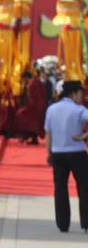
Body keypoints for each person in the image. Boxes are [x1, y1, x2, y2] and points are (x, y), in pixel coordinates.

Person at [44, 81, 88, 233]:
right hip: (77, 152)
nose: (82, 96)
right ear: (73, 93)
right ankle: (86, 221)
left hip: (58, 152)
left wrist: (48, 153)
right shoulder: (79, 110)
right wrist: (84, 136)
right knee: (84, 186)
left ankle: (63, 224)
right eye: (80, 93)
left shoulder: (52, 109)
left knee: (60, 187)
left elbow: (48, 134)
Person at [15, 69, 48, 144]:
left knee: (20, 115)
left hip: (35, 107)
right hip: (38, 106)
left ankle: (26, 136)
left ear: (26, 78)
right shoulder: (34, 82)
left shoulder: (32, 84)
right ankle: (30, 137)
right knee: (31, 122)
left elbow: (32, 97)